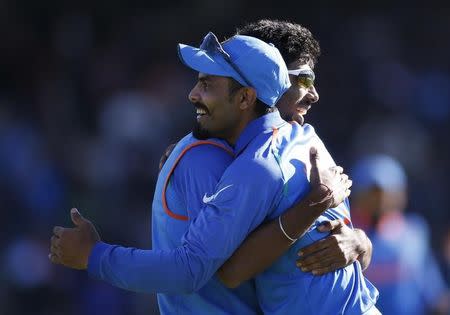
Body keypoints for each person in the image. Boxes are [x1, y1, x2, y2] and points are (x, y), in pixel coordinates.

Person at [50, 31, 379, 314]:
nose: (192, 94)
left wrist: (94, 255)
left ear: (246, 97)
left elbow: (194, 270)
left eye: (207, 84)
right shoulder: (304, 137)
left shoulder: (254, 168)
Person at [350, 154, 450, 315]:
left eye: (389, 191)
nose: (381, 199)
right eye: (373, 193)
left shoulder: (415, 232)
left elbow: (432, 290)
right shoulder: (344, 235)